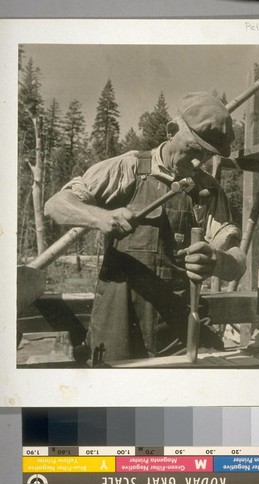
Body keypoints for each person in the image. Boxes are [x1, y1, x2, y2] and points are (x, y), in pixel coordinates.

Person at [45, 91, 246, 366]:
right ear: (172, 130)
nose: (199, 163)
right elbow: (56, 205)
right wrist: (101, 218)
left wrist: (217, 261)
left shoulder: (207, 189)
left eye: (207, 155)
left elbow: (238, 262)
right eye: (195, 149)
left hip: (176, 329)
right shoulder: (128, 168)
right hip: (118, 322)